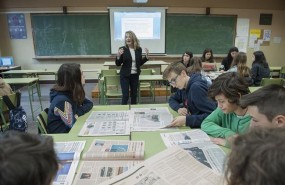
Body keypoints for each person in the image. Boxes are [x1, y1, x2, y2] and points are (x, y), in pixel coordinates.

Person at [201, 72, 251, 147]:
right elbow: (205, 124)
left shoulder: (256, 117)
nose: (219, 106)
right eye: (217, 101)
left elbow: (255, 147)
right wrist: (227, 133)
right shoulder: (224, 109)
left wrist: (227, 143)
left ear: (237, 96)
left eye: (222, 101)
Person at [163, 61, 216, 128]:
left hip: (205, 129)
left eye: (173, 81)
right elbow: (172, 99)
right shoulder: (183, 86)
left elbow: (214, 116)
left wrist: (187, 120)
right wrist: (178, 108)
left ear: (183, 73)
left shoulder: (196, 88)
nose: (173, 86)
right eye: (170, 83)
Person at [47, 63, 93, 133]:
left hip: (68, 132)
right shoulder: (62, 101)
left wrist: (77, 114)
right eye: (82, 74)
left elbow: (89, 103)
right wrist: (75, 115)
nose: (84, 76)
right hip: (62, 137)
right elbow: (73, 125)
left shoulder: (72, 92)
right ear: (74, 79)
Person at [115, 30, 149, 105]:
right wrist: (118, 56)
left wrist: (146, 57)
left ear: (133, 38)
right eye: (126, 37)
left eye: (129, 37)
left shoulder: (138, 49)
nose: (127, 38)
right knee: (126, 95)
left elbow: (139, 63)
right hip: (125, 76)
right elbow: (118, 64)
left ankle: (134, 111)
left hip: (135, 75)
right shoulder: (122, 49)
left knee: (134, 95)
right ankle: (123, 111)